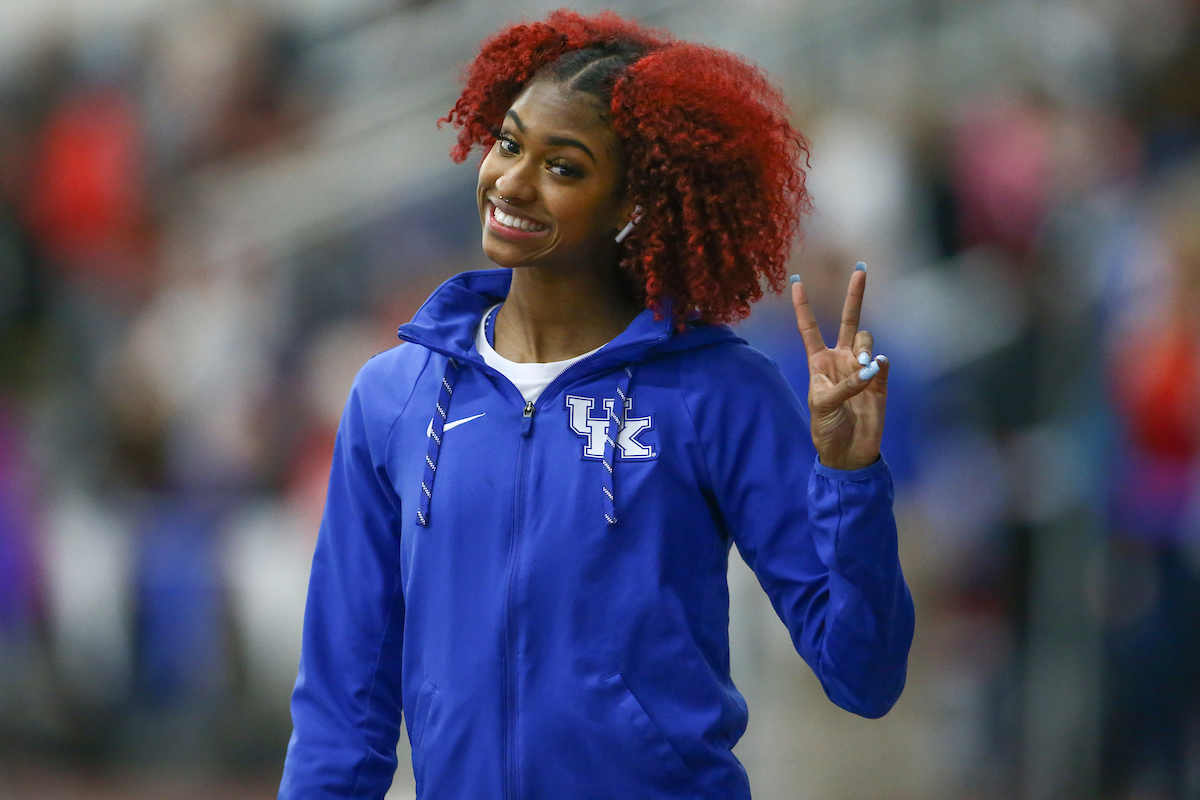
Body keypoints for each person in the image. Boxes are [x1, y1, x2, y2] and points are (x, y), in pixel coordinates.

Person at [278, 10, 914, 800]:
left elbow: (865, 673)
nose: (511, 181)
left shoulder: (719, 392)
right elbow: (343, 709)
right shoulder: (394, 395)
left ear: (632, 205)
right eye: (509, 144)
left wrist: (851, 482)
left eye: (564, 167)